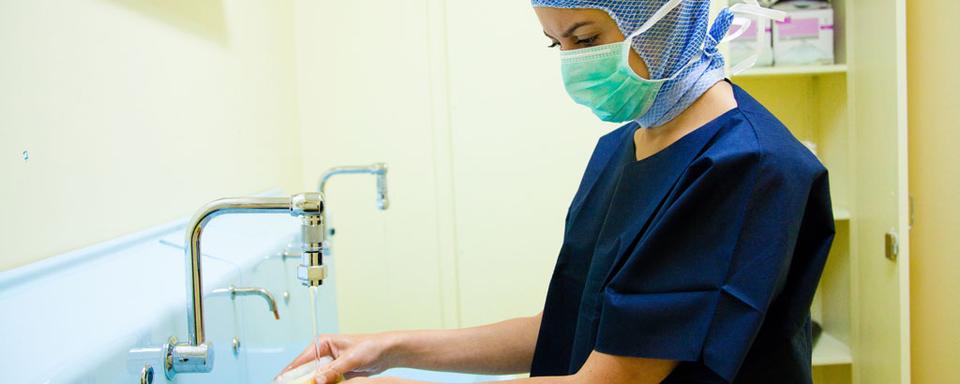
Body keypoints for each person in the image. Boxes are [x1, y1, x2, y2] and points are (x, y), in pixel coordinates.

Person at [278, 0, 835, 383]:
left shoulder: (747, 167)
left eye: (587, 38)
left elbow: (613, 378)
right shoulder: (625, 145)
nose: (574, 62)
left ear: (667, 16)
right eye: (557, 44)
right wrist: (387, 348)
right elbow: (578, 326)